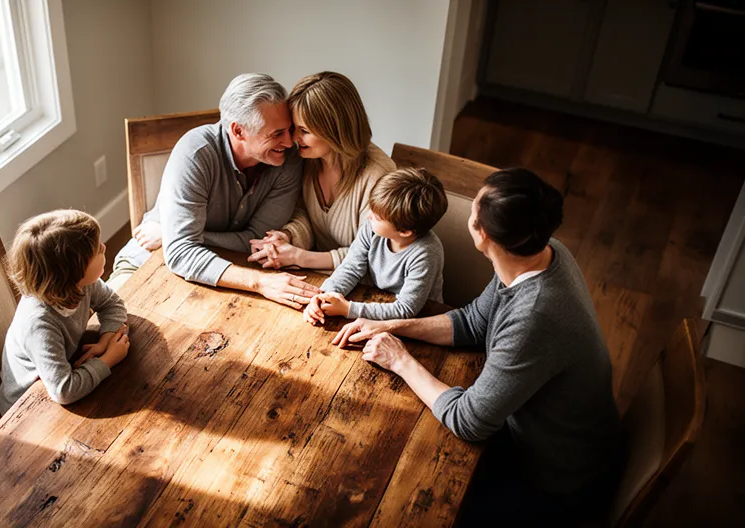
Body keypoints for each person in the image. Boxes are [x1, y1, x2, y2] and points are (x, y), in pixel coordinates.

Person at [334, 169, 623, 524]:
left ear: (482, 235)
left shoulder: (534, 317)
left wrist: (401, 360)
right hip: (535, 434)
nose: (468, 213)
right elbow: (474, 321)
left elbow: (469, 421)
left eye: (473, 213)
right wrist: (392, 325)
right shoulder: (540, 250)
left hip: (552, 477)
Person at [109, 73, 319, 309]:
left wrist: (173, 236)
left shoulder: (287, 158)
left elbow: (257, 240)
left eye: (289, 129)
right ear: (239, 132)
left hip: (221, 272)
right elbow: (179, 254)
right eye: (277, 134)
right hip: (146, 264)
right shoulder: (196, 153)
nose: (290, 142)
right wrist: (259, 282)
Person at [246, 71, 397, 272]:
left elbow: (372, 257)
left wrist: (301, 257)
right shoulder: (308, 159)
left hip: (367, 291)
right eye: (294, 128)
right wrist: (289, 235)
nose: (293, 139)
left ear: (335, 130)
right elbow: (303, 213)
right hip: (321, 280)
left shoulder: (379, 176)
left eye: (304, 131)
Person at [0, 210, 129, 414]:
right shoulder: (39, 324)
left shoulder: (82, 284)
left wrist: (105, 340)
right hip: (27, 408)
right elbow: (64, 391)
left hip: (63, 371)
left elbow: (112, 304)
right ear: (73, 271)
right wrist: (108, 359)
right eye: (96, 250)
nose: (104, 247)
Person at [304, 168, 447, 324]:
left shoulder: (426, 253)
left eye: (377, 217)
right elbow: (351, 267)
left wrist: (347, 309)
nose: (368, 216)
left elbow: (406, 309)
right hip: (376, 301)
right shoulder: (371, 229)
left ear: (405, 231)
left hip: (420, 320)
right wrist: (325, 295)